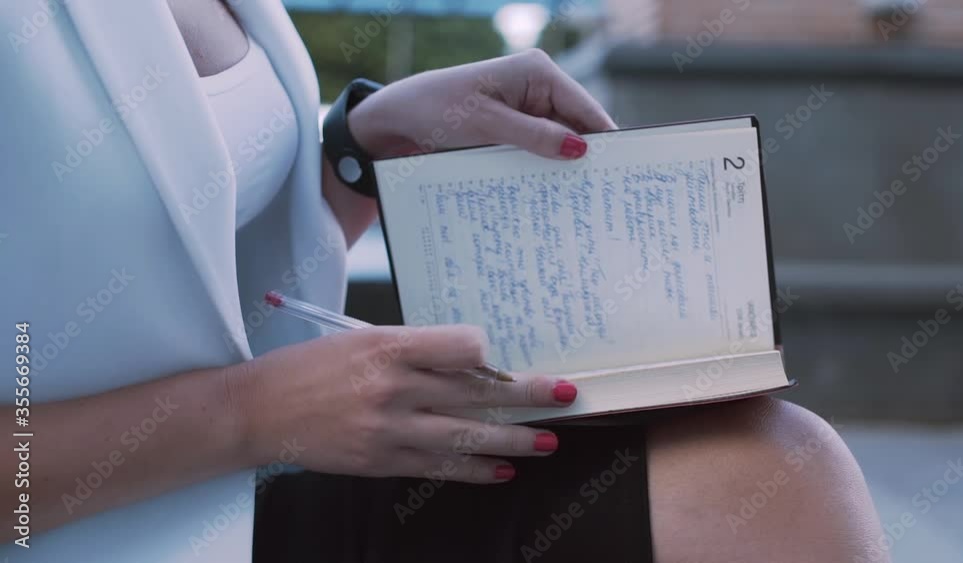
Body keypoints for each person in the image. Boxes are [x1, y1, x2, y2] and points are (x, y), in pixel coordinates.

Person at [0, 0, 889, 561]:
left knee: (776, 470)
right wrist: (251, 412)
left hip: (234, 487)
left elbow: (184, 252)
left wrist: (360, 150)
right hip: (105, 520)